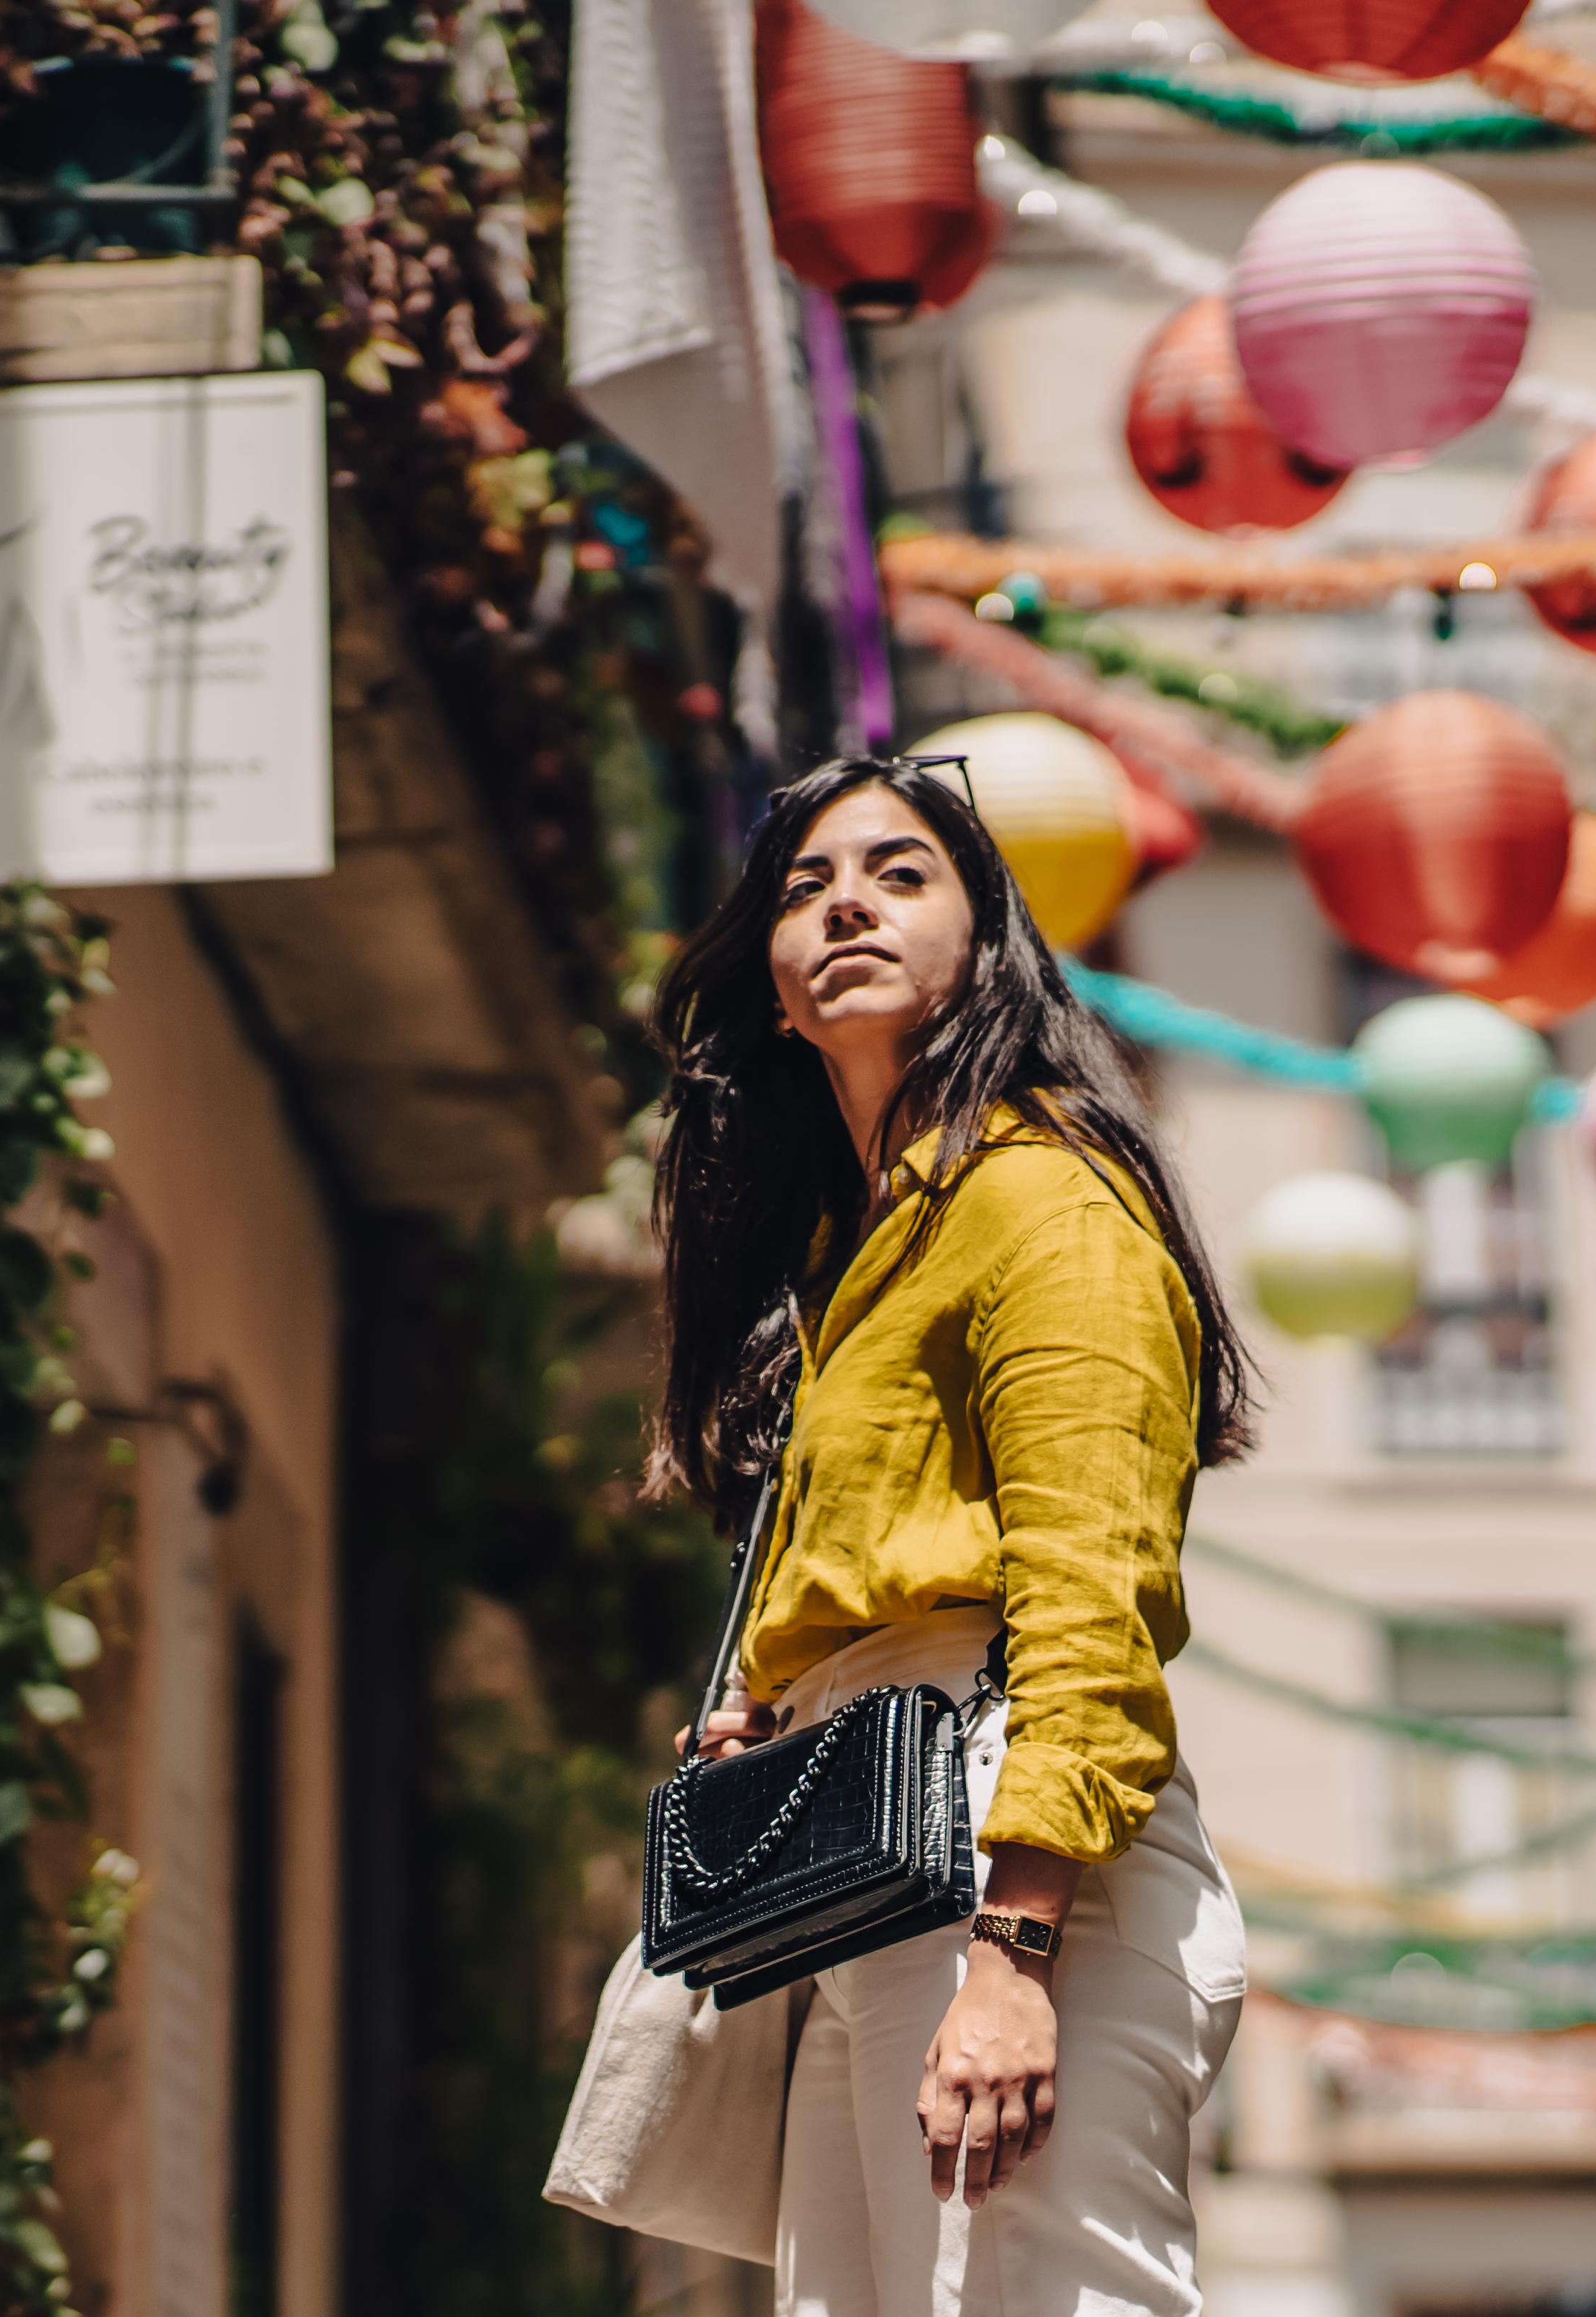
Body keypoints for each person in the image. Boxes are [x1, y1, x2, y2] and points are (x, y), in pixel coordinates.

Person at [650, 754, 1257, 2317]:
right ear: (776, 994)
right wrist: (771, 1708)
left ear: (987, 947)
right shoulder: (857, 1259)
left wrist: (1014, 1952)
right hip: (867, 1860)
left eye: (899, 872)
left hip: (1009, 1855)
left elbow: (1089, 1594)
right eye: (804, 885)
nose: (844, 898)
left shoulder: (1046, 1197)